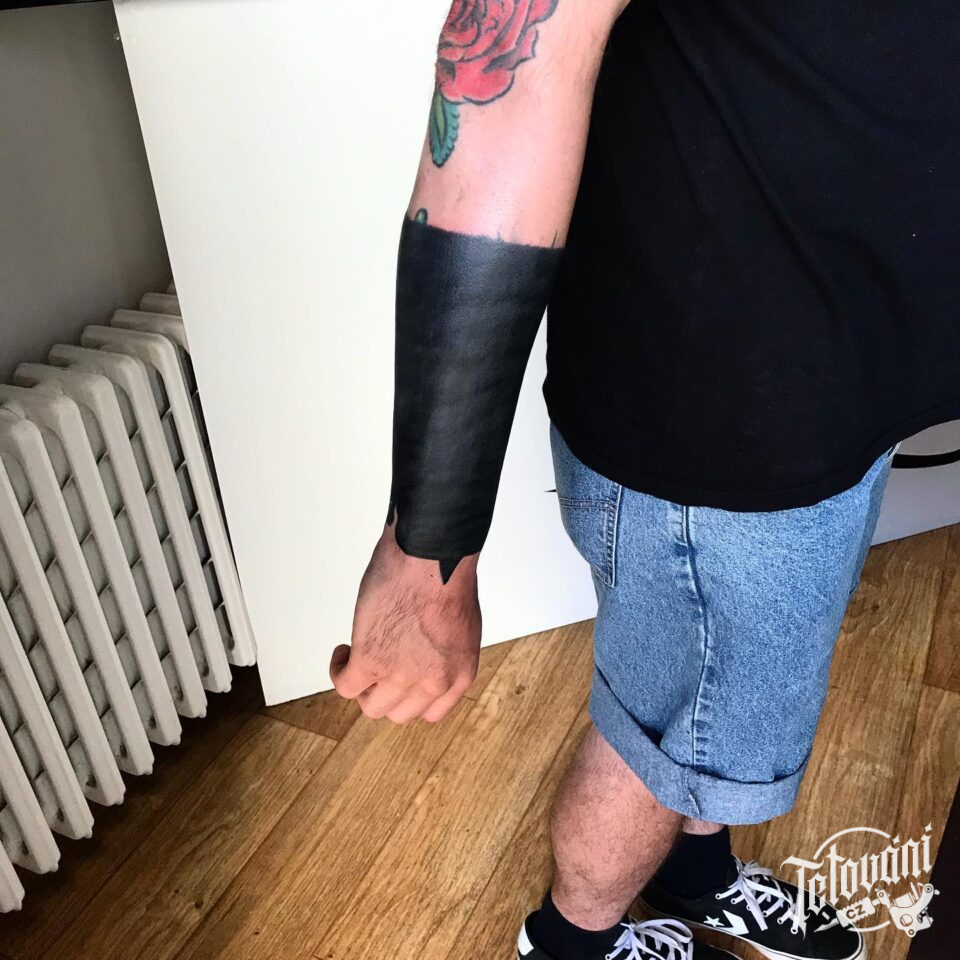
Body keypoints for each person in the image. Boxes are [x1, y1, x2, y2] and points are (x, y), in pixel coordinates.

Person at [330, 2, 959, 958]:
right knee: (664, 735)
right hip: (724, 421)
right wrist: (430, 556)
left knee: (704, 711)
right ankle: (572, 942)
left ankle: (694, 875)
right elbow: (501, 106)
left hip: (843, 374)